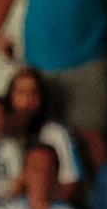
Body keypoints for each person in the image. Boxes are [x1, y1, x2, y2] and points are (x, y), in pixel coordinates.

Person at [0, 0, 107, 176]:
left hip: (89, 59)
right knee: (35, 140)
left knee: (91, 139)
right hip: (38, 61)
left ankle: (106, 198)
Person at [5, 67, 85, 199]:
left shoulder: (56, 133)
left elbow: (70, 184)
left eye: (33, 92)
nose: (27, 99)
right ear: (10, 96)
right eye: (21, 92)